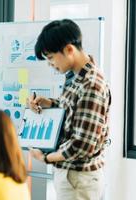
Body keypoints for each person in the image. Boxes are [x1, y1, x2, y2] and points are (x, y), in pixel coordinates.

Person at [28, 19, 111, 200]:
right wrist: (49, 103)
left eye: (50, 58)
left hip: (79, 179)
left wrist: (45, 158)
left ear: (69, 50)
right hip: (70, 175)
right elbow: (74, 109)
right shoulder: (74, 76)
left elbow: (81, 146)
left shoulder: (92, 85)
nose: (50, 64)